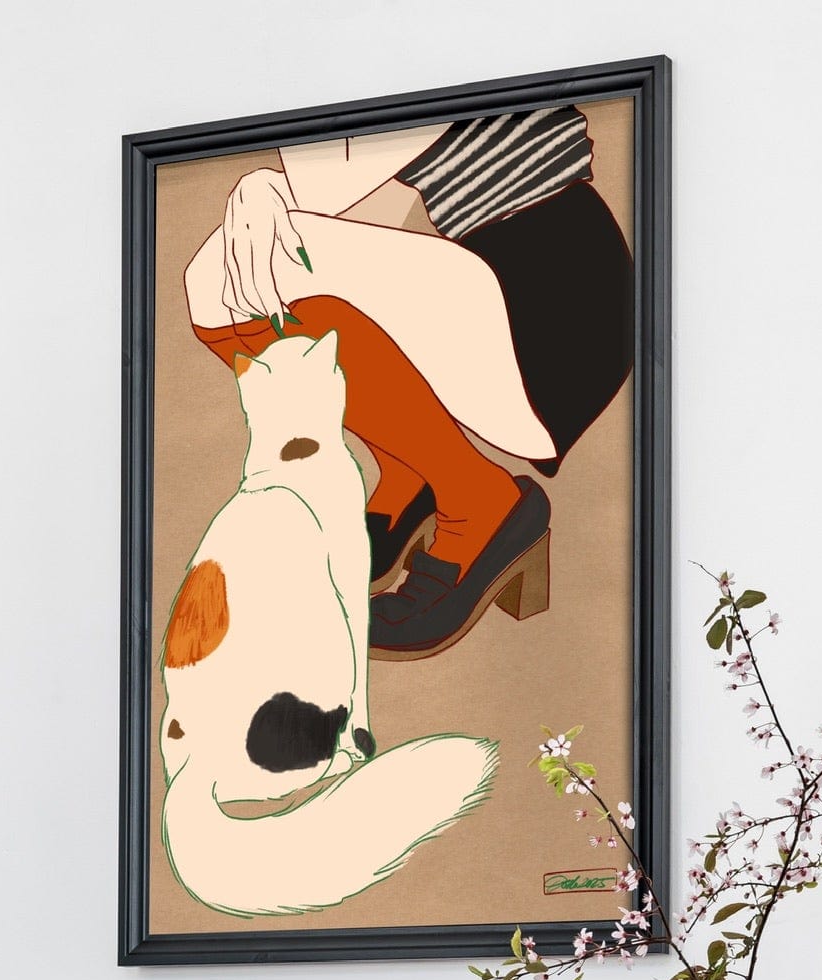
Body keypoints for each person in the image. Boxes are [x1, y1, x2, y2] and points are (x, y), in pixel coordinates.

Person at [183, 106, 633, 659]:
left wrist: (261, 184)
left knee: (230, 274)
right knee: (243, 273)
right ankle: (414, 476)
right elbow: (372, 210)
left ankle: (480, 501)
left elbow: (321, 186)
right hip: (511, 278)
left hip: (561, 297)